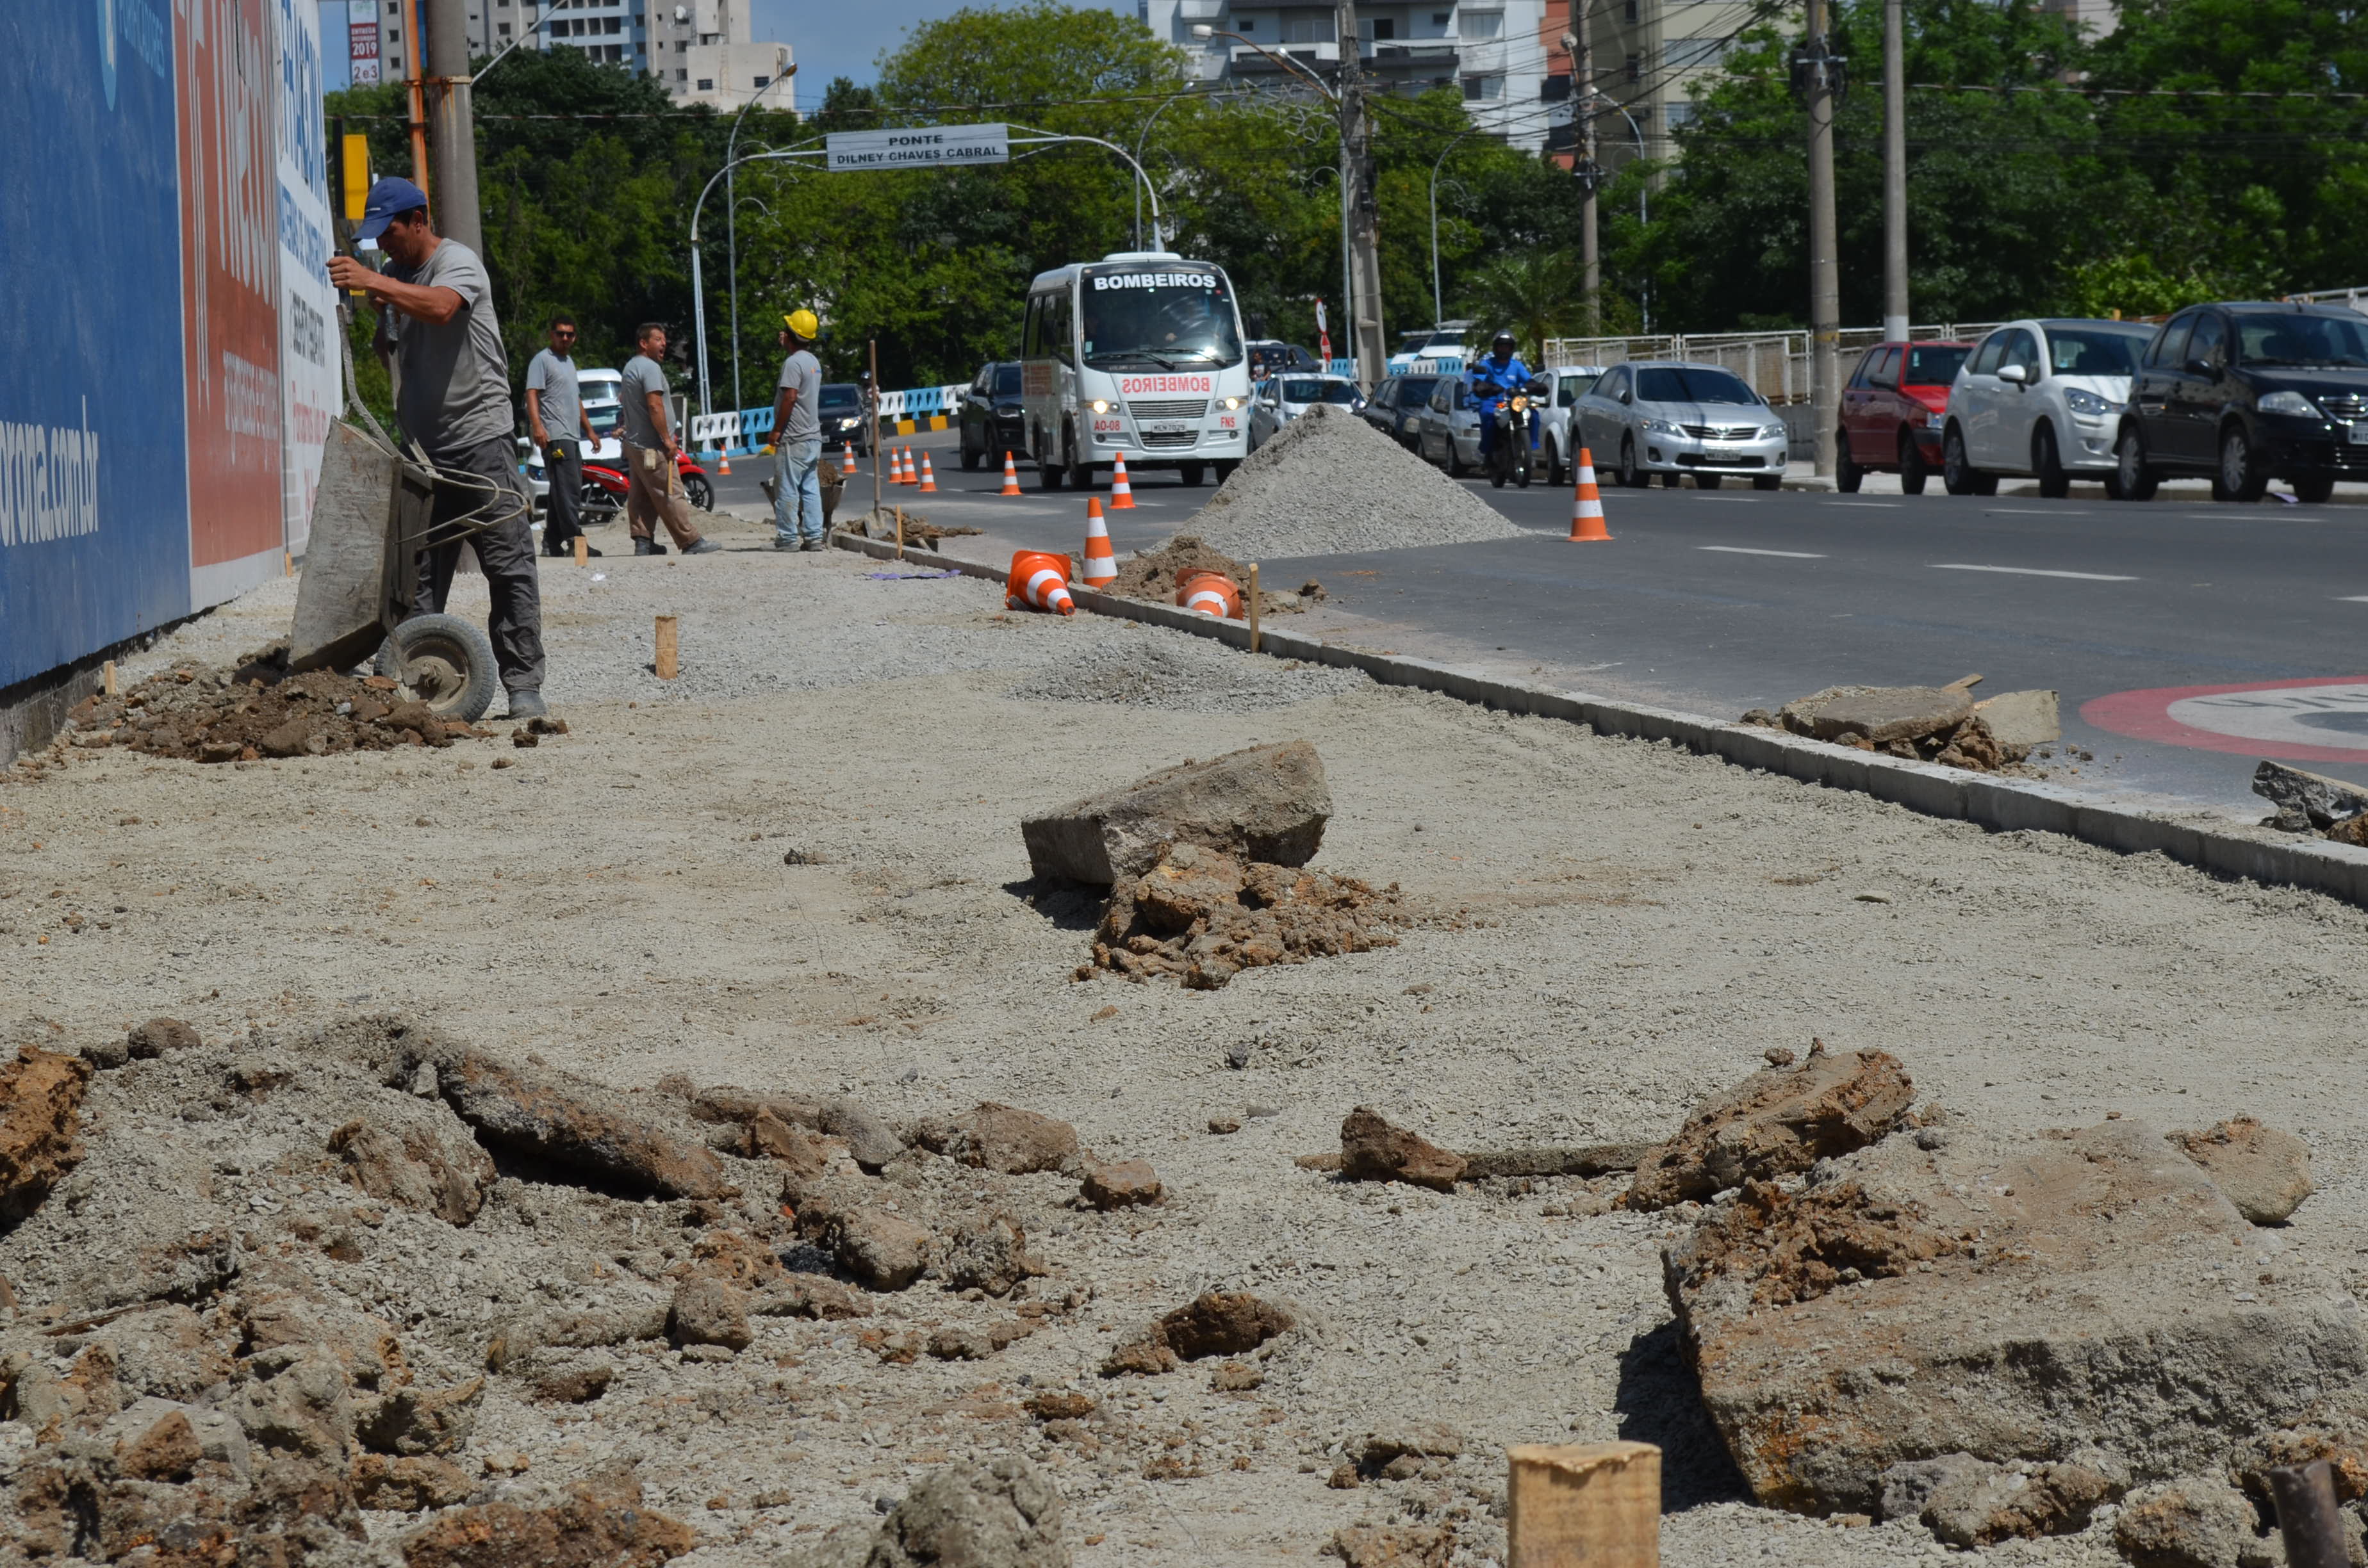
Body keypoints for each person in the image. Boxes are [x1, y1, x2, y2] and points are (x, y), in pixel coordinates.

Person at [328, 176, 551, 720]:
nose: (384, 246)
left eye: (392, 233)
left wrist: (376, 285)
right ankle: (419, 684)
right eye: (377, 237)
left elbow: (443, 309)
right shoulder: (396, 277)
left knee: (509, 565)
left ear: (420, 221)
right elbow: (391, 348)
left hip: (480, 442)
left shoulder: (457, 263)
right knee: (420, 575)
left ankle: (523, 685)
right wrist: (379, 309)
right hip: (426, 453)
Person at [618, 323, 716, 558]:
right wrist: (667, 440)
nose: (664, 344)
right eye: (658, 340)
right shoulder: (650, 368)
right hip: (652, 446)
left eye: (664, 340)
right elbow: (654, 405)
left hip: (635, 445)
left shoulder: (631, 367)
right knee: (670, 492)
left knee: (641, 495)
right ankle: (690, 540)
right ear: (644, 343)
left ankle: (643, 541)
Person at [525, 314, 599, 559]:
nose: (565, 338)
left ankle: (551, 543)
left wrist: (589, 430)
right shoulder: (542, 360)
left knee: (561, 490)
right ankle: (576, 542)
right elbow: (532, 394)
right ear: (551, 335)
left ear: (574, 337)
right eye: (560, 333)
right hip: (555, 435)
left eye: (569, 334)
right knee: (569, 490)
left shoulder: (569, 362)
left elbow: (575, 399)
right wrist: (538, 426)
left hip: (572, 435)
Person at [769, 310, 825, 551]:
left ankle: (788, 538)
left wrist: (776, 430)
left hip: (794, 437)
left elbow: (790, 397)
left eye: (786, 329)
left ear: (792, 335)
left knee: (787, 488)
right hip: (813, 436)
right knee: (810, 488)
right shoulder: (813, 362)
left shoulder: (793, 363)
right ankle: (814, 537)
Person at [1465, 330, 1533, 466]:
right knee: (1488, 416)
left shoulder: (1517, 366)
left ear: (1512, 348)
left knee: (1534, 415)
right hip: (1494, 402)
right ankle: (1484, 451)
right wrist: (1486, 387)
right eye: (1501, 346)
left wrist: (1537, 386)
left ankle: (1530, 451)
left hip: (1515, 401)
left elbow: (1528, 380)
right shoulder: (1487, 364)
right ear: (1496, 347)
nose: (1504, 349)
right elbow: (1478, 382)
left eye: (1507, 346)